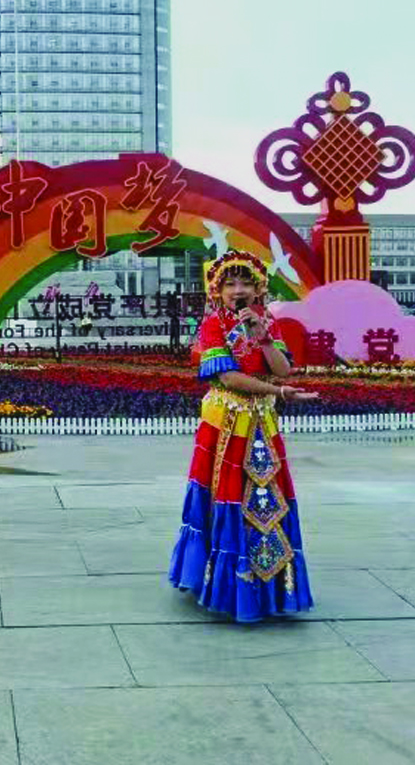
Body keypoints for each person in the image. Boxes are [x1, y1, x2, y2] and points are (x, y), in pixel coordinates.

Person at [167, 250, 317, 622]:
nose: (238, 290)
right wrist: (278, 393)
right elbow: (228, 377)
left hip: (263, 425)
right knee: (226, 497)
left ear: (258, 289)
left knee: (267, 501)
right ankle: (223, 586)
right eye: (230, 284)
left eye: (245, 283)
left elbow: (284, 370)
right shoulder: (213, 326)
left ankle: (270, 592)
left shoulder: (267, 323)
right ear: (217, 292)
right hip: (226, 425)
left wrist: (264, 339)